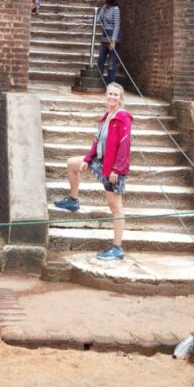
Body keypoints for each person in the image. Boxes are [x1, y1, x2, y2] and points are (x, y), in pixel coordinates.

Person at [54, 82, 132, 261]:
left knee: (115, 208)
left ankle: (117, 248)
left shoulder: (123, 118)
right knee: (72, 164)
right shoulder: (106, 116)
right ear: (106, 95)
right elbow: (97, 141)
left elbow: (124, 146)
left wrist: (117, 170)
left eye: (116, 95)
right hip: (100, 161)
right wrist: (88, 159)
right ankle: (73, 201)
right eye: (110, 94)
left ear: (120, 98)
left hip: (113, 168)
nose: (112, 97)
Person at [95, 0, 120, 83]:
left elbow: (117, 25)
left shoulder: (115, 9)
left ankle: (111, 84)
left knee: (111, 62)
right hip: (105, 35)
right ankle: (99, 81)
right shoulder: (104, 7)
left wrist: (113, 41)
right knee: (101, 59)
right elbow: (98, 20)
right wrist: (85, 20)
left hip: (113, 35)